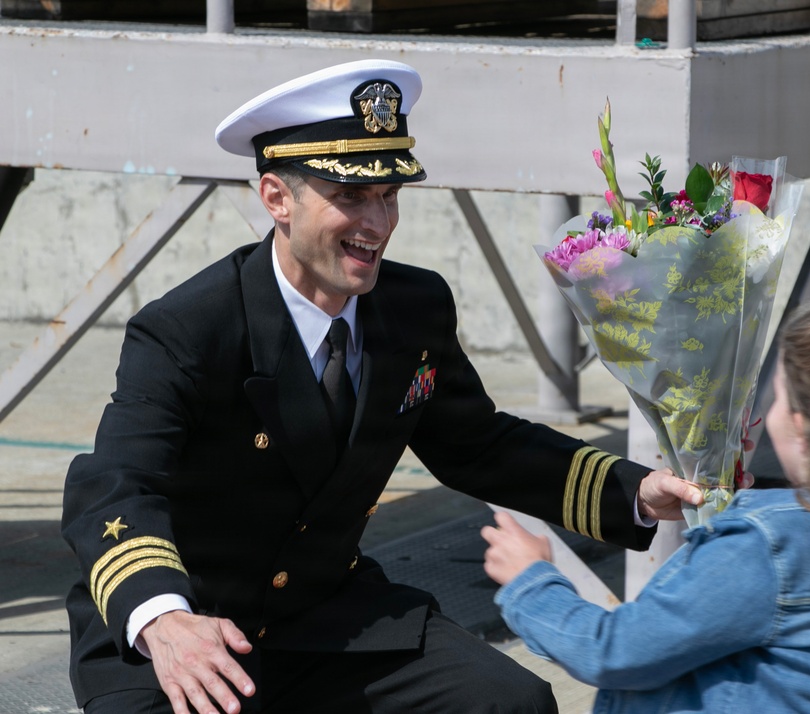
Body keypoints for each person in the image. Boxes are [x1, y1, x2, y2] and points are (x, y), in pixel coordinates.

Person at [60, 59, 706, 714]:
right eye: (350, 197)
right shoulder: (189, 329)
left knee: (507, 702)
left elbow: (477, 444)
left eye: (389, 195)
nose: (377, 221)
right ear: (277, 199)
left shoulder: (413, 308)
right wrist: (164, 620)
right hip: (190, 625)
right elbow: (112, 485)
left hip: (325, 617)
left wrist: (632, 491)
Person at [482, 300, 810, 713]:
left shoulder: (768, 548)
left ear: (799, 426)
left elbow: (614, 651)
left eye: (775, 398)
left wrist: (532, 581)